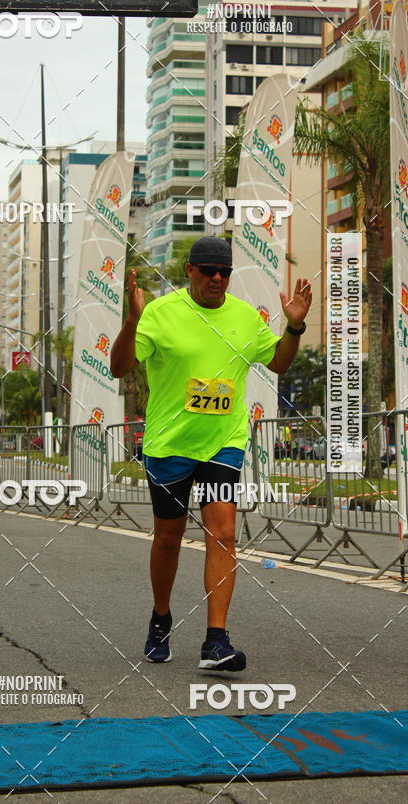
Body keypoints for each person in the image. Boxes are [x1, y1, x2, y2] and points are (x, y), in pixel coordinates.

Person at [110, 237, 311, 672]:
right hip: (169, 445)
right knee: (168, 536)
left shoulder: (243, 316)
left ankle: (215, 641)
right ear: (190, 271)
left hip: (223, 443)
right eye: (208, 271)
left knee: (223, 532)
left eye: (224, 272)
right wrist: (132, 321)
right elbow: (120, 367)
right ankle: (160, 619)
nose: (217, 279)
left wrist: (293, 327)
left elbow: (278, 363)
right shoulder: (160, 313)